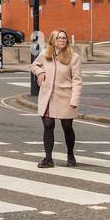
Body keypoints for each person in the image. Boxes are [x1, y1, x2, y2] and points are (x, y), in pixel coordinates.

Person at [30, 28, 83, 168]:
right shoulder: (45, 54)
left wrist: (75, 100)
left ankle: (70, 155)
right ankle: (48, 158)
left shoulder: (74, 57)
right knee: (48, 125)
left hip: (65, 96)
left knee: (67, 127)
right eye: (59, 38)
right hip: (47, 96)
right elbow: (34, 65)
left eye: (64, 38)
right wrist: (40, 71)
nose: (62, 40)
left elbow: (77, 80)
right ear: (53, 40)